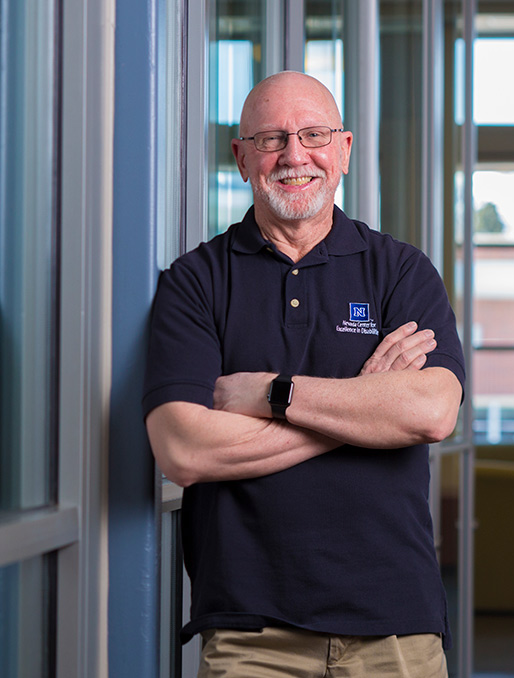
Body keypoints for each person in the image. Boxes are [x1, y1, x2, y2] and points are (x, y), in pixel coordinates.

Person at [142, 71, 465, 678]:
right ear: (241, 159)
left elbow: (430, 413)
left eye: (314, 135)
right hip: (249, 629)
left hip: (394, 619)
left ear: (342, 150)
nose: (295, 155)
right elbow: (183, 449)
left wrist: (272, 393)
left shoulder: (400, 272)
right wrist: (369, 408)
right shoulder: (196, 281)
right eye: (271, 139)